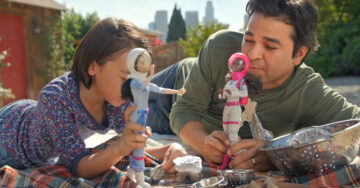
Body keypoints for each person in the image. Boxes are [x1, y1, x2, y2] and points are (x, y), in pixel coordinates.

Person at [147, 0, 360, 172]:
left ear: (300, 54)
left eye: (269, 46)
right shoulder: (219, 46)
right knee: (122, 94)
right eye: (248, 40)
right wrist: (203, 143)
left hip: (178, 127)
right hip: (173, 87)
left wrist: (273, 154)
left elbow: (355, 127)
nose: (252, 54)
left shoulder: (309, 92)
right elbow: (184, 109)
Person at [0, 18, 187, 179]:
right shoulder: (56, 99)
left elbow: (130, 145)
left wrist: (168, 149)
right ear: (93, 68)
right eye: (125, 78)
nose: (133, 89)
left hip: (42, 136)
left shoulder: (115, 97)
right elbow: (79, 166)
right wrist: (119, 147)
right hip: (9, 140)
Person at [121, 48, 186, 187]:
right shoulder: (134, 82)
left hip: (145, 114)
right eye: (142, 62)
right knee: (139, 146)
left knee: (138, 145)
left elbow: (161, 90)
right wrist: (150, 74)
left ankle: (132, 171)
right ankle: (138, 178)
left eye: (147, 62)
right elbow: (145, 84)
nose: (145, 65)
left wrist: (178, 91)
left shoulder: (145, 83)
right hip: (137, 116)